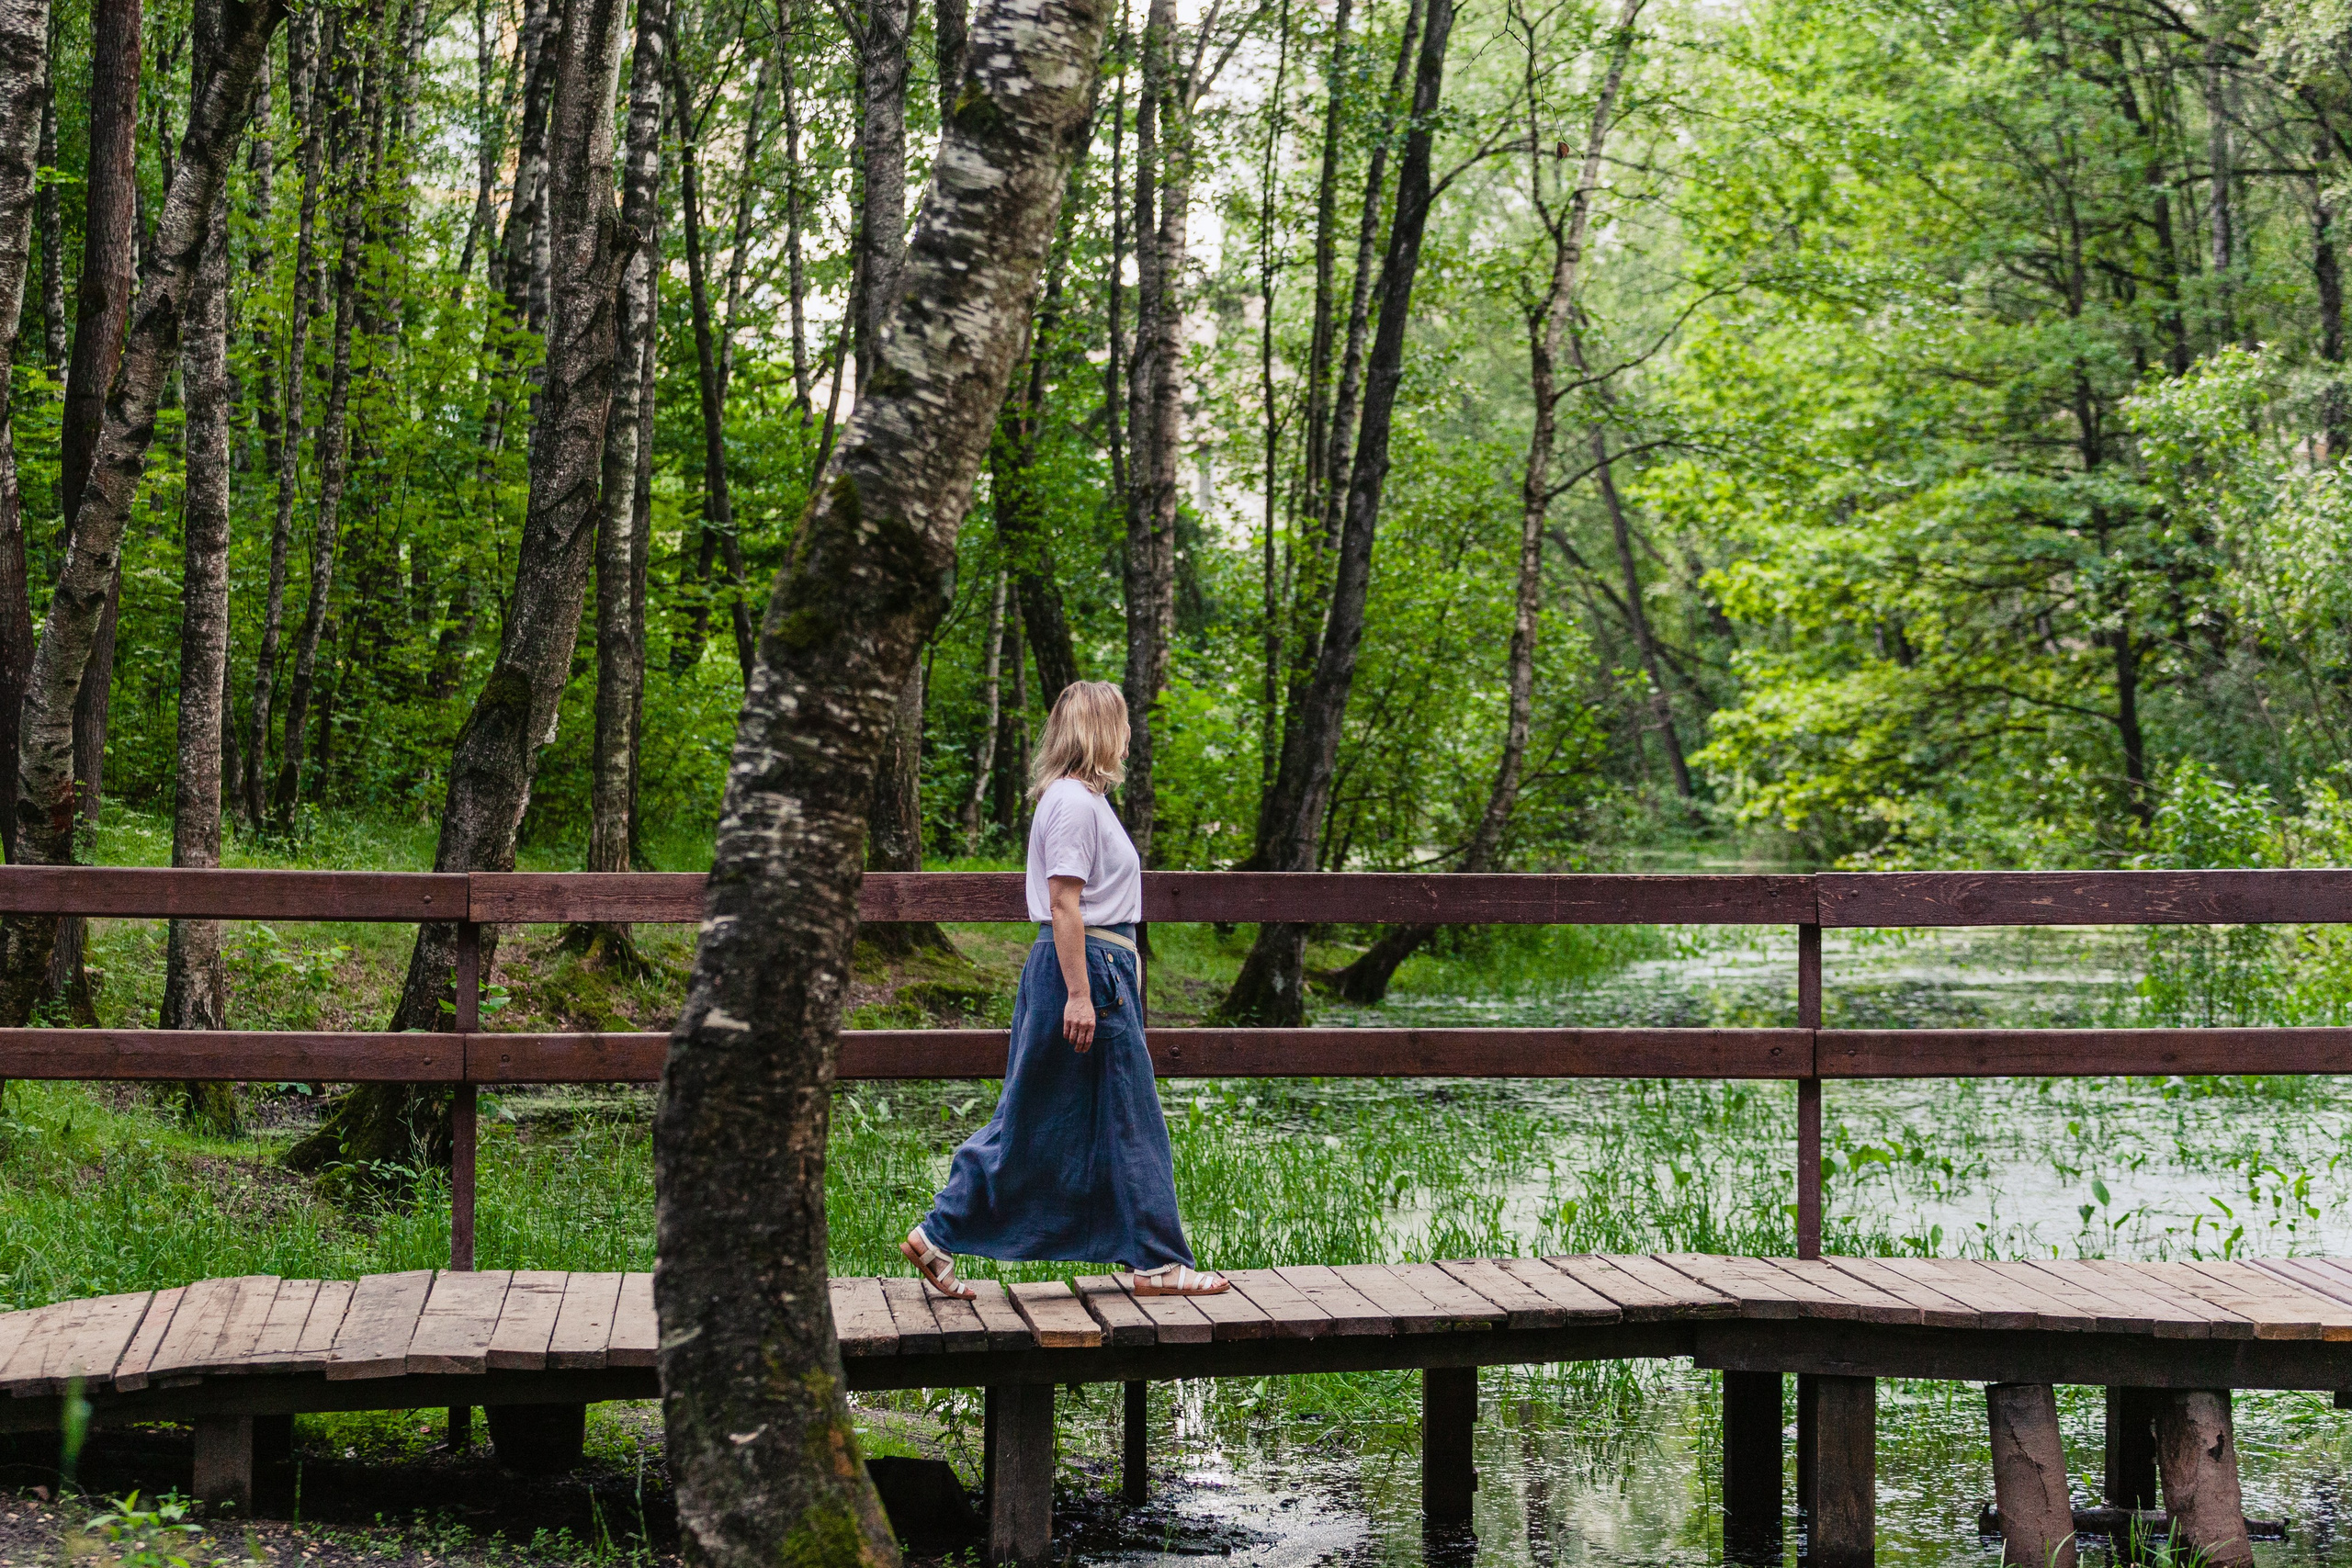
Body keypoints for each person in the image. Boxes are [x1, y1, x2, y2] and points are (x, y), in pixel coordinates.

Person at [900, 682, 1229, 1299]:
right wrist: (1081, 992)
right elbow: (1064, 902)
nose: (1129, 735)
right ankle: (1157, 1262)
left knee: (1033, 1112)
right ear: (1102, 730)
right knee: (1131, 1113)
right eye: (1123, 724)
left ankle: (938, 1233)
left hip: (1089, 966)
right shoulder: (1076, 803)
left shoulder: (1075, 799)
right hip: (1086, 969)